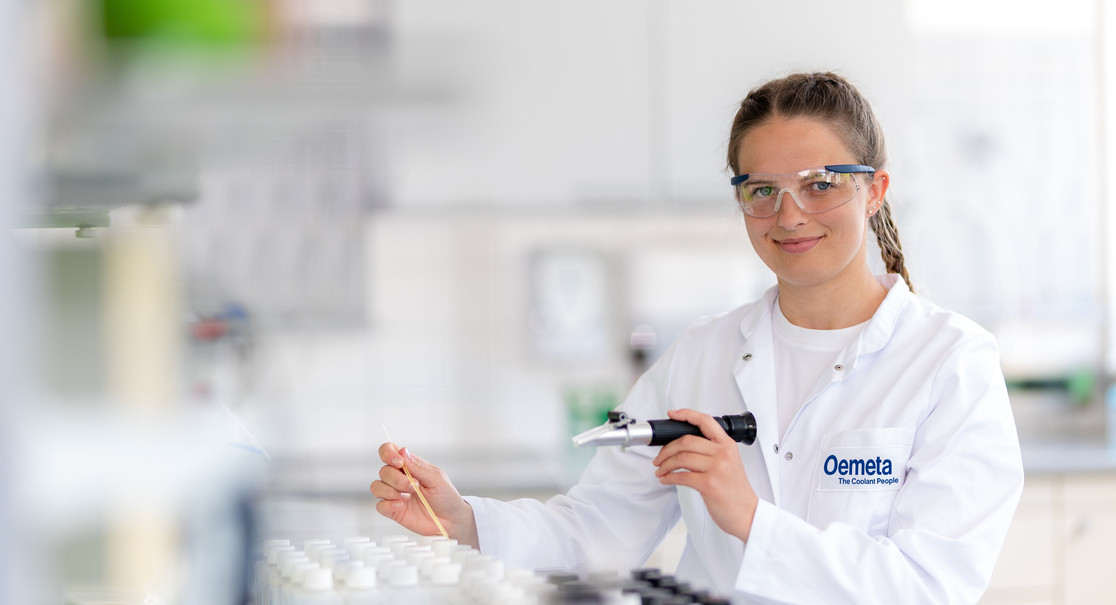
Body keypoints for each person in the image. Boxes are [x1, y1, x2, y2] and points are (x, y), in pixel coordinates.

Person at [370, 72, 1024, 603]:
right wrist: (467, 521)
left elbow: (929, 584)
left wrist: (749, 517)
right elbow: (599, 524)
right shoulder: (703, 354)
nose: (788, 213)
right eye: (761, 189)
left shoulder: (949, 363)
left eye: (820, 184)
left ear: (874, 190)